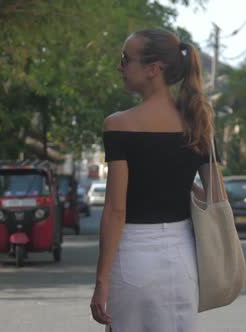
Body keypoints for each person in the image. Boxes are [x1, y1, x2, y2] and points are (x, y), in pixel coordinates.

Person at [89, 28, 219, 331]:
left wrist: (101, 282)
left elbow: (116, 210)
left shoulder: (119, 124)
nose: (120, 67)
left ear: (153, 69)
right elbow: (216, 195)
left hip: (134, 257)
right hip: (183, 259)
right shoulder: (197, 123)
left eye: (125, 59)